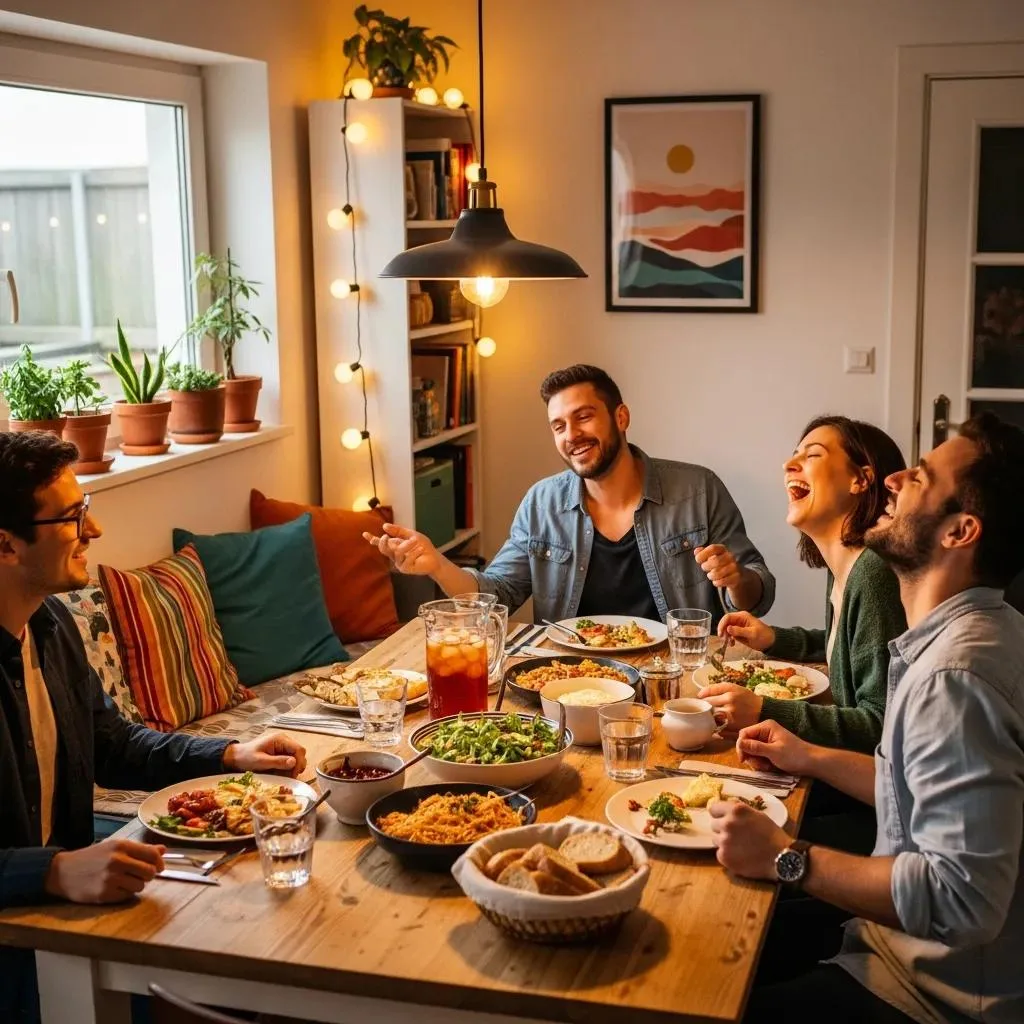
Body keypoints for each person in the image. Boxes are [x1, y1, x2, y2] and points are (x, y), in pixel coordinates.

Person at [708, 413, 1024, 1024]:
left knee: (697, 975)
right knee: (711, 928)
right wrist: (809, 756)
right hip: (885, 946)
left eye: (922, 477)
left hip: (928, 994)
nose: (896, 478)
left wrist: (784, 854)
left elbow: (962, 901)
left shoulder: (953, 678)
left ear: (960, 531)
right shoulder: (968, 636)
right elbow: (909, 787)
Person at [0, 431, 307, 1024]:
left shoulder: (52, 625)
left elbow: (114, 745)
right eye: (72, 517)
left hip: (66, 916)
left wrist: (231, 754)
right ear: (7, 545)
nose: (95, 531)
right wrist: (55, 868)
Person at [365, 364, 775, 623]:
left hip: (673, 678)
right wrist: (437, 564)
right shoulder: (542, 503)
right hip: (568, 680)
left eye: (583, 417)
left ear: (621, 417)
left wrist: (735, 580)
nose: (572, 435)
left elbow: (758, 596)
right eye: (558, 426)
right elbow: (496, 597)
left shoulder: (698, 490)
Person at [703, 416, 907, 753]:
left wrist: (764, 710)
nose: (788, 464)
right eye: (794, 455)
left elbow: (879, 725)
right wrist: (773, 638)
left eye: (811, 455)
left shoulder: (873, 575)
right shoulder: (847, 568)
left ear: (860, 479)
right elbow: (852, 649)